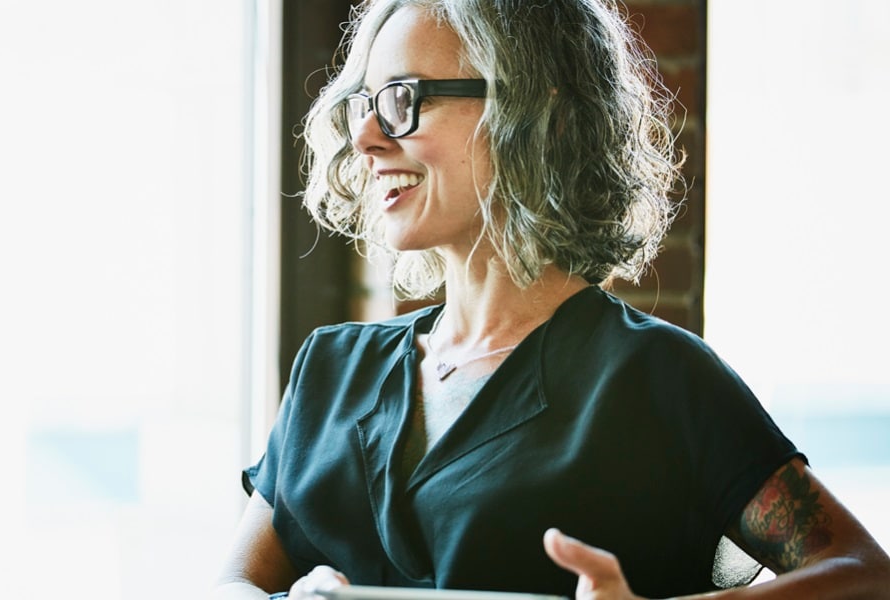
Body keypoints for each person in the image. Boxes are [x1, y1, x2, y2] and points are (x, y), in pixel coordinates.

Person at [213, 0, 890, 598]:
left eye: (403, 99)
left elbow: (864, 575)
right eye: (365, 104)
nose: (364, 138)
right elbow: (235, 583)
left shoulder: (659, 378)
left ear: (537, 112)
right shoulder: (329, 371)